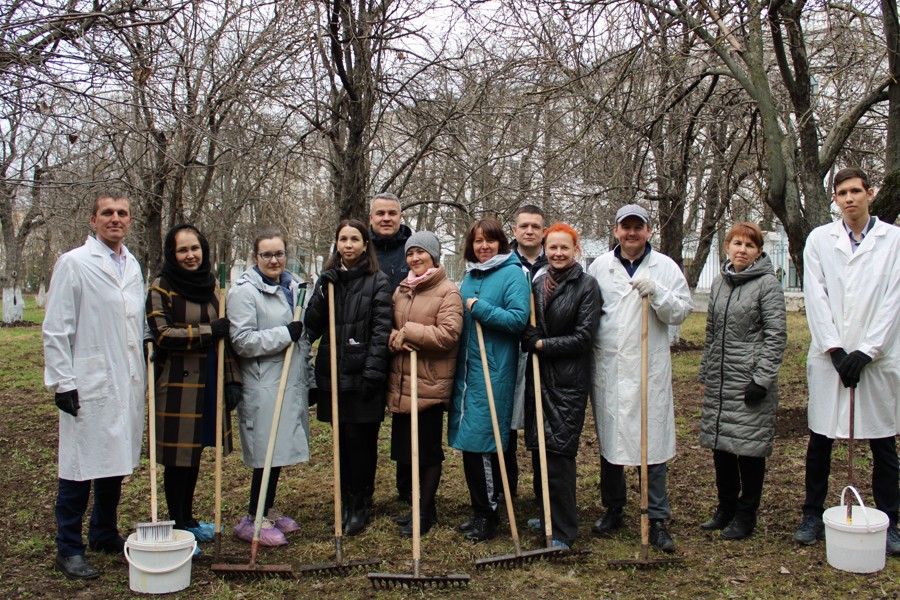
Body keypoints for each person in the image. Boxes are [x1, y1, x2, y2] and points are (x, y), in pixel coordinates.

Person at [793, 167, 900, 555]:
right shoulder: (821, 240)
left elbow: (894, 300)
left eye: (856, 191)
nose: (850, 198)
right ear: (835, 199)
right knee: (821, 437)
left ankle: (891, 519)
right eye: (842, 192)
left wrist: (868, 350)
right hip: (829, 358)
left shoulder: (894, 241)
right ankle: (811, 514)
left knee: (882, 440)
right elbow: (816, 295)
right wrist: (836, 349)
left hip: (878, 358)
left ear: (870, 193)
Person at [43, 191, 145, 579]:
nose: (115, 218)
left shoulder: (132, 264)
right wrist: (62, 381)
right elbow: (56, 328)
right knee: (78, 465)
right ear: (93, 220)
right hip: (88, 382)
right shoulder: (74, 263)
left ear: (129, 221)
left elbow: (133, 323)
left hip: (125, 378)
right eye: (107, 213)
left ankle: (103, 531)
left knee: (113, 462)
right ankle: (68, 547)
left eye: (122, 213)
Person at [588, 204, 693, 553]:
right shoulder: (600, 267)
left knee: (653, 441)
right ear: (616, 231)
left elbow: (682, 310)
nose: (631, 233)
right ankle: (614, 508)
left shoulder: (665, 267)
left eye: (638, 227)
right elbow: (590, 311)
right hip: (611, 366)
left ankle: (657, 516)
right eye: (625, 227)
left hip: (650, 366)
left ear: (649, 231)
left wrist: (658, 293)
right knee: (612, 441)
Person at [146, 224, 243, 546]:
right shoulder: (161, 287)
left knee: (196, 452)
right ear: (172, 255)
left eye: (195, 249)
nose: (190, 256)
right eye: (182, 250)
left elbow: (223, 338)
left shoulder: (212, 287)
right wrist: (205, 331)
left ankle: (188, 518)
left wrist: (232, 380)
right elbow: (162, 334)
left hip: (209, 379)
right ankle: (177, 523)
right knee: (178, 459)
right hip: (178, 385)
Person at [698, 222, 786, 540]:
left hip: (749, 381)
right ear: (727, 247)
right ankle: (725, 508)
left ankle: (746, 514)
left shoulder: (768, 285)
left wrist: (761, 379)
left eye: (749, 245)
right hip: (721, 379)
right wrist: (707, 372)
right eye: (736, 243)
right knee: (721, 446)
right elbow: (711, 332)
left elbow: (776, 335)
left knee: (748, 451)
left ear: (759, 251)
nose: (742, 250)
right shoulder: (720, 283)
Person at [304, 219, 392, 536]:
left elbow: (382, 330)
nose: (349, 244)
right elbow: (311, 325)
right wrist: (321, 293)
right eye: (343, 239)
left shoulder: (378, 281)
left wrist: (372, 372)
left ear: (365, 244)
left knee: (361, 442)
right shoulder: (328, 281)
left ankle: (361, 502)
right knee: (341, 441)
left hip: (363, 376)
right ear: (337, 244)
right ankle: (344, 497)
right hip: (333, 374)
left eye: (355, 239)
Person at [449, 218, 531, 542]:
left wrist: (480, 308)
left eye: (490, 240)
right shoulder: (469, 275)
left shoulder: (512, 273)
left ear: (501, 243)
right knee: (472, 445)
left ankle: (489, 513)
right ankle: (482, 508)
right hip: (468, 372)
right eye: (478, 241)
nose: (483, 247)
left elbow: (517, 319)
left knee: (484, 444)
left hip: (494, 371)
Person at [227, 229, 311, 546]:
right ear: (255, 257)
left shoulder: (292, 287)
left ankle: (267, 510)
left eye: (279, 254)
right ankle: (253, 518)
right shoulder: (244, 293)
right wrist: (284, 334)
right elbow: (242, 341)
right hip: (262, 383)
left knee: (278, 452)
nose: (274, 260)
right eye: (267, 255)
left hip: (288, 381)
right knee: (265, 452)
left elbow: (301, 338)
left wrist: (310, 377)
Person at [521, 223, 601, 549]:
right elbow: (530, 326)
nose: (557, 253)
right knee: (540, 451)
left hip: (567, 383)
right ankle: (547, 513)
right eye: (552, 248)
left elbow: (584, 338)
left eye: (564, 248)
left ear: (575, 250)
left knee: (559, 456)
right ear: (545, 248)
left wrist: (540, 345)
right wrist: (528, 335)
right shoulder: (538, 282)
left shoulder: (586, 286)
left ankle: (564, 531)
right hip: (539, 378)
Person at [386, 231, 463, 537]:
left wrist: (410, 331)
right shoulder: (402, 290)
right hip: (404, 383)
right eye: (410, 253)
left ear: (433, 255)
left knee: (427, 452)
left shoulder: (448, 292)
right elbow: (392, 330)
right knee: (408, 452)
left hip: (429, 386)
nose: (415, 258)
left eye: (421, 253)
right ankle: (420, 506)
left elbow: (448, 335)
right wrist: (394, 339)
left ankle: (426, 511)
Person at [367, 192, 415, 506]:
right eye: (380, 213)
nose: (387, 218)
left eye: (392, 213)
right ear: (371, 218)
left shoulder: (413, 250)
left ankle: (408, 489)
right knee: (366, 423)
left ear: (400, 216)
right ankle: (361, 492)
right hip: (367, 348)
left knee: (406, 423)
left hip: (403, 346)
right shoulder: (359, 248)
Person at [503, 204, 548, 502]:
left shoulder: (557, 261)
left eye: (535, 226)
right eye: (524, 226)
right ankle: (507, 493)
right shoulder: (502, 263)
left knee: (540, 427)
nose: (529, 230)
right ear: (514, 231)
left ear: (543, 231)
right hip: (508, 353)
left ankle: (542, 495)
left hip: (544, 355)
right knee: (506, 427)